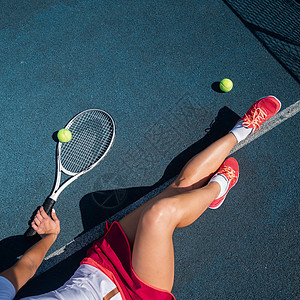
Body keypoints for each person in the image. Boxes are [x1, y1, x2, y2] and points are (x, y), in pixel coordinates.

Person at [0, 96, 281, 299]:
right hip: (134, 295)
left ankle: (243, 128)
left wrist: (49, 237)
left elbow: (23, 268)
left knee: (178, 188)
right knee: (160, 214)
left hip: (100, 264)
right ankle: (217, 188)